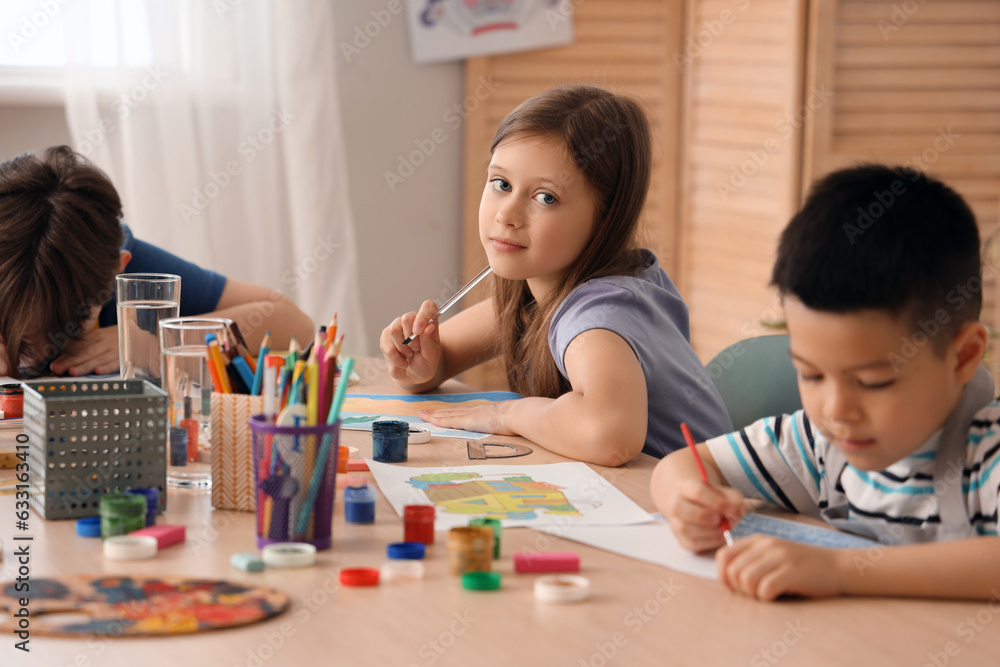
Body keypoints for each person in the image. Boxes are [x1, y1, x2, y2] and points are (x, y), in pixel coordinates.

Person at [651, 164, 1000, 601]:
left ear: (963, 356)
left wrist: (838, 570)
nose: (835, 410)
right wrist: (687, 499)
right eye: (811, 374)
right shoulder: (818, 446)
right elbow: (681, 464)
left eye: (873, 382)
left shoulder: (988, 455)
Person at [380, 85, 732, 466]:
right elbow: (437, 360)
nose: (506, 215)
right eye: (501, 184)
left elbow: (609, 436)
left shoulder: (600, 314)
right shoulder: (540, 288)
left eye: (545, 197)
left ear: (605, 218)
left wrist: (505, 415)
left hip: (707, 514)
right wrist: (420, 363)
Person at [0, 145, 315, 378]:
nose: (45, 349)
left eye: (68, 326)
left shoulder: (112, 263)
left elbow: (293, 323)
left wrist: (154, 341)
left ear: (118, 270)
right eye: (24, 334)